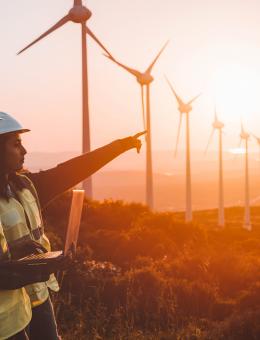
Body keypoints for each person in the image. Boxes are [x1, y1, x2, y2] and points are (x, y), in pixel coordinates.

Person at [0, 111, 144, 340]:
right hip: (11, 308)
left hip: (38, 295)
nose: (24, 150)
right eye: (16, 144)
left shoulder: (27, 187)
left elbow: (70, 171)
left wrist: (119, 146)